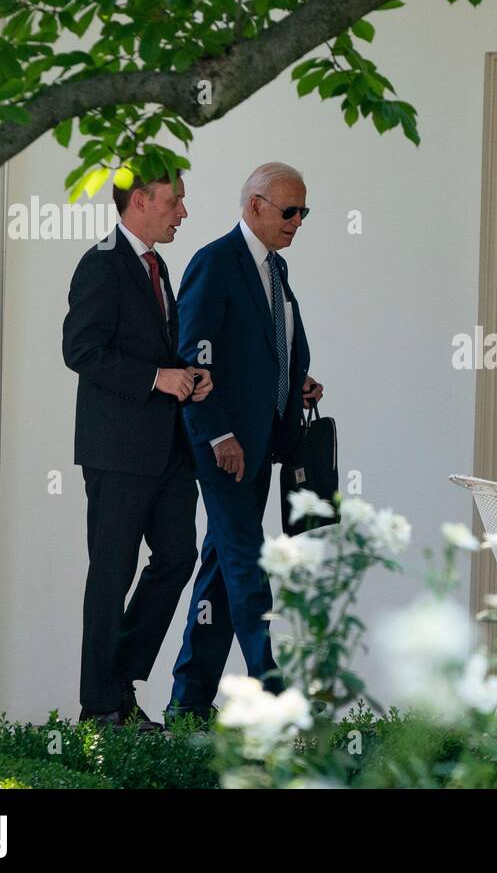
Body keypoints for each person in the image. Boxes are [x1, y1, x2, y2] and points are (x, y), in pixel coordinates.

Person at [168, 162, 323, 721]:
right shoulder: (216, 262)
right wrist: (219, 432)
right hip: (224, 447)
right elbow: (194, 353)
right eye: (289, 210)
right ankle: (273, 692)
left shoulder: (275, 270)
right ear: (255, 204)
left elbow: (260, 350)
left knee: (221, 565)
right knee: (245, 563)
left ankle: (189, 700)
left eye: (304, 211)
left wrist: (292, 380)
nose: (298, 221)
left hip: (261, 445)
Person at [62, 170, 212, 730]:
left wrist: (188, 376)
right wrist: (156, 378)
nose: (183, 213)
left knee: (176, 558)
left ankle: (115, 678)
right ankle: (101, 706)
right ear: (141, 201)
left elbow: (153, 347)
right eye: (174, 202)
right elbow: (80, 351)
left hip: (167, 450)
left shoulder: (157, 264)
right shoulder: (100, 263)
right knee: (112, 572)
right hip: (117, 452)